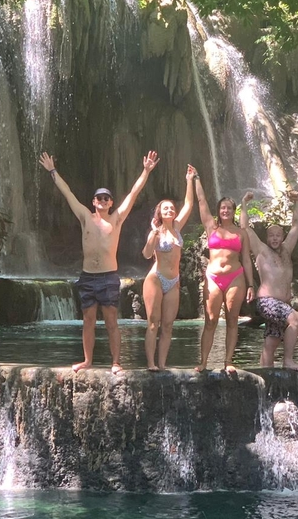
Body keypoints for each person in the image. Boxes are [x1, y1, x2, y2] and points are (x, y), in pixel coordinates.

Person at [38, 150, 159, 373]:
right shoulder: (85, 216)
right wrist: (52, 171)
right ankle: (87, 361)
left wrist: (146, 171)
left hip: (108, 276)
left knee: (112, 321)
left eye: (107, 198)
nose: (103, 201)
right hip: (87, 276)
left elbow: (133, 193)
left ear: (111, 202)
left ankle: (115, 362)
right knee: (88, 320)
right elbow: (68, 194)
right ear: (94, 202)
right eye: (99, 198)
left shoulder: (116, 218)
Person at [194, 176, 255, 373]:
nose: (225, 210)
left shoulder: (241, 233)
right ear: (219, 210)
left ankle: (228, 361)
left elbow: (246, 259)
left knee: (232, 319)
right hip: (213, 276)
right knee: (210, 320)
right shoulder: (212, 228)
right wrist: (196, 179)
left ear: (234, 210)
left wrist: (251, 284)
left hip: (235, 277)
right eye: (223, 207)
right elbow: (202, 202)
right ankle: (203, 362)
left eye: (229, 207)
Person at [141, 164, 197, 371]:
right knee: (153, 323)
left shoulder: (177, 227)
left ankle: (162, 364)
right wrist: (154, 237)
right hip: (155, 278)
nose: (170, 210)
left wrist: (189, 180)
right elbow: (147, 254)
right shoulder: (156, 232)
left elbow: (189, 204)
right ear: (160, 212)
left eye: (172, 207)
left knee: (168, 326)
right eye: (165, 208)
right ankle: (151, 363)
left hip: (173, 282)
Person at [240, 190, 298, 370]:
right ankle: (288, 360)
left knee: (272, 342)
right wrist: (244, 203)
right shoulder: (261, 250)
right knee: (295, 319)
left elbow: (297, 224)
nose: (274, 238)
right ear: (266, 238)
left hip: (280, 303)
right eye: (271, 235)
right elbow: (245, 227)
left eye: (278, 235)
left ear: (282, 237)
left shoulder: (286, 250)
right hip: (267, 302)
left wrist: (297, 202)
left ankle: (265, 376)